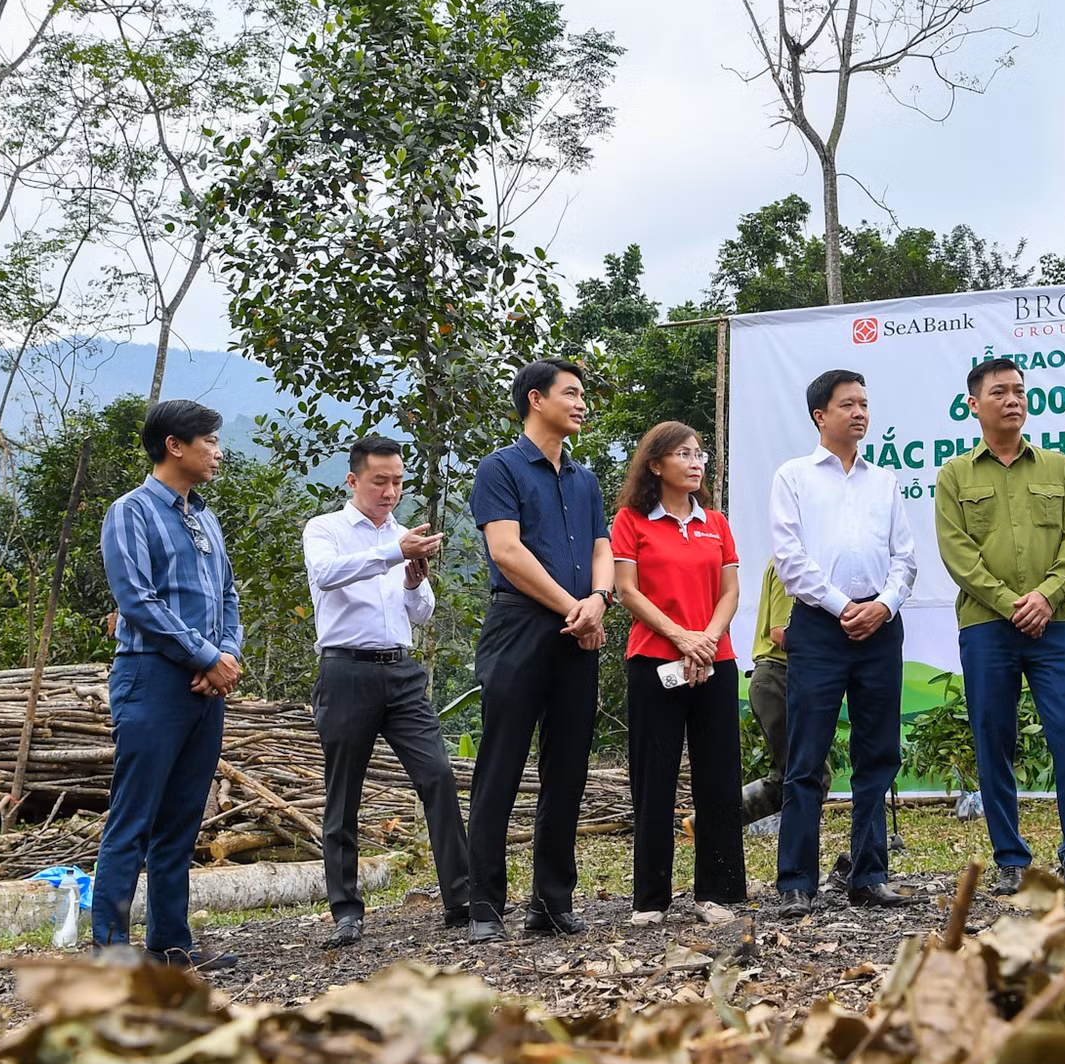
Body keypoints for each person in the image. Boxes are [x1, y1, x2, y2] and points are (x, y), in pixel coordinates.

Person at [934, 357, 1065, 896]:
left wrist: (1044, 598)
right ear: (974, 405)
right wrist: (1013, 603)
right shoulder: (954, 474)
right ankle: (1010, 858)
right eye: (1000, 392)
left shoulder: (1058, 468)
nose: (1013, 400)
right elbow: (958, 555)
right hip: (987, 628)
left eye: (1019, 391)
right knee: (994, 738)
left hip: (1054, 626)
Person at [465, 360, 613, 943]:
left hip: (580, 626)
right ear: (536, 399)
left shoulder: (585, 479)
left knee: (568, 769)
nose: (581, 404)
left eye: (582, 395)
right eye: (571, 394)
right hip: (521, 624)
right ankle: (485, 907)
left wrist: (597, 599)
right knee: (499, 765)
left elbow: (603, 546)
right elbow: (507, 552)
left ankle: (552, 901)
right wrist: (572, 606)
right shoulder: (499, 468)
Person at [302, 436, 469, 949]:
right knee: (343, 794)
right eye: (380, 481)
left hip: (401, 672)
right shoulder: (326, 529)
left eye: (398, 481)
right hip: (345, 671)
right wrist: (392, 554)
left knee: (438, 776)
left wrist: (415, 579)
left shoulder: (404, 537)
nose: (390, 491)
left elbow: (420, 614)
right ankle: (346, 911)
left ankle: (461, 898)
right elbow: (325, 576)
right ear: (353, 481)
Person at [95, 399, 245, 966]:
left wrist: (224, 655)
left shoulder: (203, 516)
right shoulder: (130, 512)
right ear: (175, 446)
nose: (217, 451)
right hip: (152, 678)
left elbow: (228, 595)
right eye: (208, 440)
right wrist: (204, 655)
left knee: (182, 817)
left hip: (205, 685)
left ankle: (170, 943)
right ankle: (110, 951)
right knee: (133, 817)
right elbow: (137, 599)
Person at [770, 369, 918, 915]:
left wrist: (883, 605)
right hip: (819, 628)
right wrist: (843, 607)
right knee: (806, 757)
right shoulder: (794, 476)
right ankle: (796, 882)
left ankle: (868, 874)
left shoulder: (885, 481)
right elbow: (790, 560)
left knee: (877, 754)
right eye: (847, 404)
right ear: (820, 415)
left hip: (880, 628)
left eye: (864, 403)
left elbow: (905, 558)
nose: (860, 412)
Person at [610, 422, 746, 927]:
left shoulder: (716, 522)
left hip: (718, 659)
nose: (695, 462)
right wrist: (682, 638)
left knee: (718, 777)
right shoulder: (632, 521)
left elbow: (730, 591)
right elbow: (628, 590)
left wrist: (706, 638)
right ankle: (651, 899)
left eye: (699, 454)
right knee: (655, 778)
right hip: (654, 660)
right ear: (655, 464)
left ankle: (719, 892)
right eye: (683, 454)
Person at [740, 560, 791, 825]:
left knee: (791, 776)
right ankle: (713, 821)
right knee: (803, 776)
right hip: (778, 677)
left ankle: (710, 821)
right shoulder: (791, 564)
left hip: (777, 679)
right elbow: (781, 634)